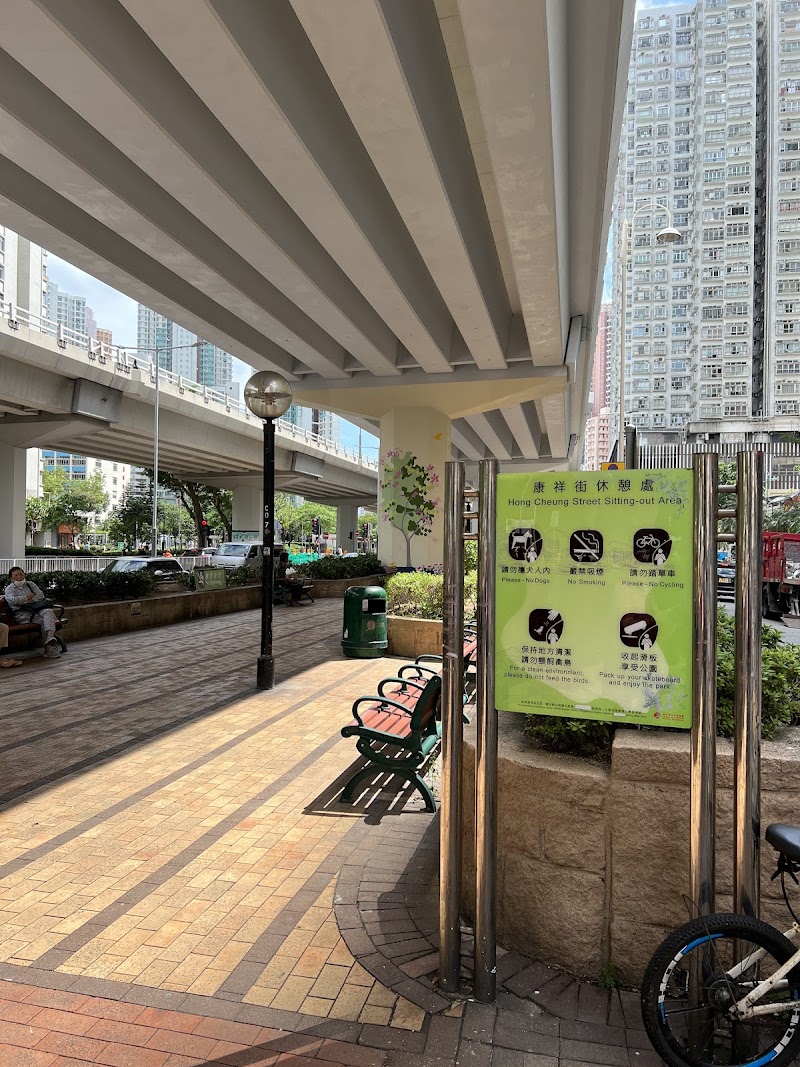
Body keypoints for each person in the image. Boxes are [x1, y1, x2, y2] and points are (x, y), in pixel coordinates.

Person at [4, 568, 61, 659]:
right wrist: (27, 598)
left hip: (37, 609)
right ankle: (48, 649)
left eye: (21, 574)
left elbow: (40, 595)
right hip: (22, 615)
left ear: (24, 574)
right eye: (16, 575)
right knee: (44, 621)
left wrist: (30, 600)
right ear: (11, 578)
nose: (19, 577)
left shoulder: (30, 584)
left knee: (48, 611)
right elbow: (14, 600)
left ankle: (50, 637)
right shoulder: (9, 589)